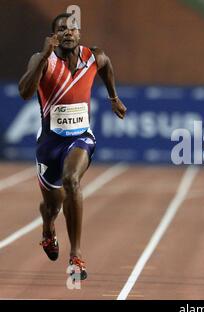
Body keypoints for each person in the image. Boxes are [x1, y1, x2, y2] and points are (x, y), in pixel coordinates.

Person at [18, 13, 127, 280]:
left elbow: (107, 66)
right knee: (51, 206)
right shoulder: (42, 59)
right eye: (62, 29)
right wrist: (44, 56)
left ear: (80, 32)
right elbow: (24, 92)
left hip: (80, 138)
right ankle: (47, 229)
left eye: (73, 28)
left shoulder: (93, 56)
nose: (68, 32)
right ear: (54, 35)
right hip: (49, 144)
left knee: (71, 180)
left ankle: (75, 255)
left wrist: (113, 97)